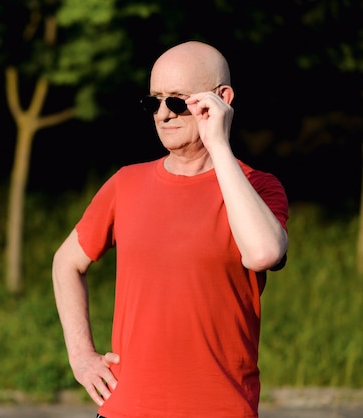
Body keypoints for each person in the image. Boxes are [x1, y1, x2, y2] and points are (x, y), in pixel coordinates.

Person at [52, 40, 289, 418]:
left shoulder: (258, 187)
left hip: (221, 410)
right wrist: (81, 356)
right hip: (124, 410)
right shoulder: (125, 184)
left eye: (177, 101)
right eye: (154, 102)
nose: (163, 114)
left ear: (221, 99)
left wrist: (219, 145)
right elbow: (66, 262)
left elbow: (264, 254)